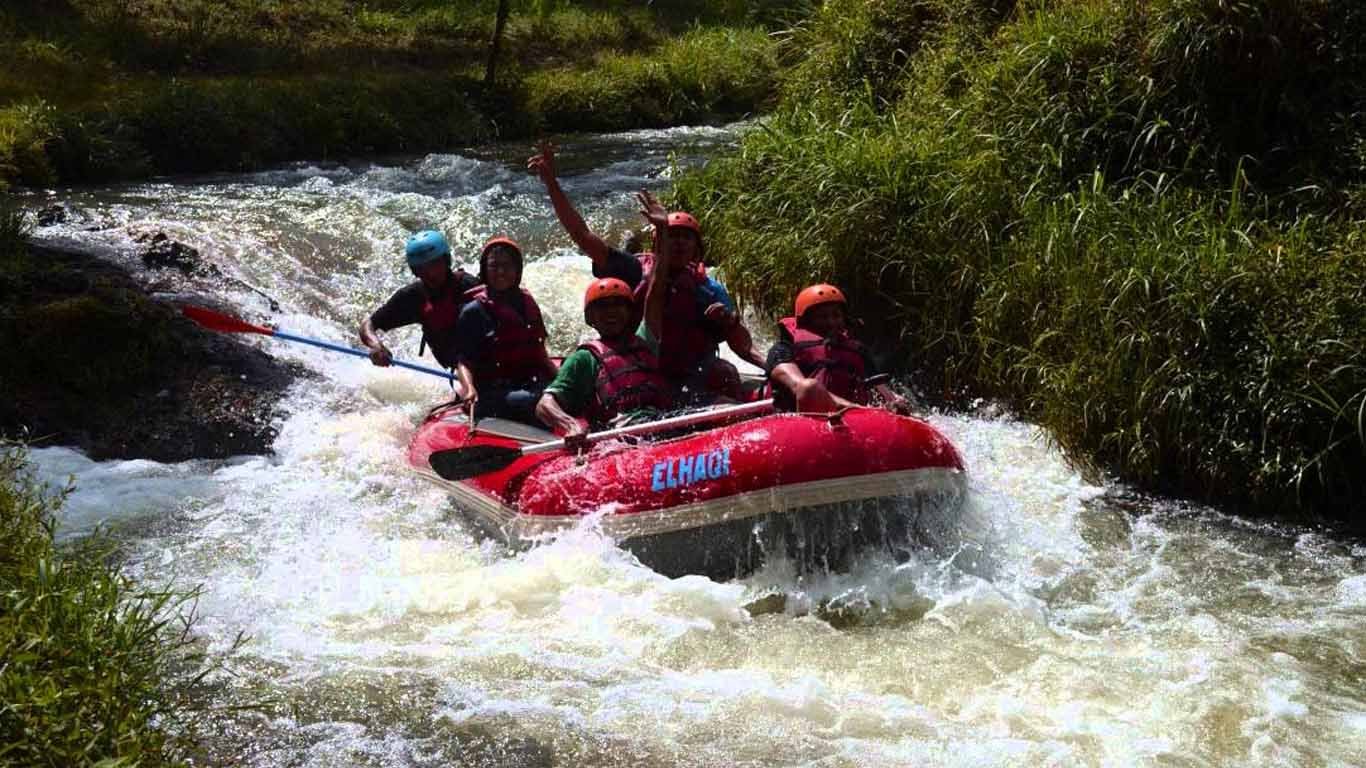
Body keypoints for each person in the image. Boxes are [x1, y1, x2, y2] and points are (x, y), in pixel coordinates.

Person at [528, 141, 763, 405]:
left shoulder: (708, 288)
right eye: (672, 237)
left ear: (697, 249)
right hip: (640, 371)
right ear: (658, 243)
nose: (679, 243)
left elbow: (740, 342)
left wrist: (756, 351)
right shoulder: (634, 269)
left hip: (690, 373)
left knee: (724, 373)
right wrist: (551, 184)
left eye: (686, 238)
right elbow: (581, 235)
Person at [536, 194, 675, 448]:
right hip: (620, 441)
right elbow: (545, 405)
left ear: (630, 311)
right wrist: (570, 424)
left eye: (618, 306)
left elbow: (656, 289)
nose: (612, 313)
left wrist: (663, 231)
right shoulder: (584, 359)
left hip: (662, 426)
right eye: (603, 308)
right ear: (591, 319)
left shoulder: (645, 339)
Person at [451, 236, 559, 426]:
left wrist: (561, 380)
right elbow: (463, 362)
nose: (500, 272)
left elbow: (539, 352)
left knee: (565, 392)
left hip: (529, 381)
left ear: (517, 270)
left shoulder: (527, 303)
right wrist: (469, 389)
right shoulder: (473, 311)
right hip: (493, 391)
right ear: (485, 269)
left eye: (507, 266)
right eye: (494, 266)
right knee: (529, 401)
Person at [766, 283, 912, 414]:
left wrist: (894, 403)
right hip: (800, 419)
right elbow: (804, 388)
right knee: (810, 387)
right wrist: (861, 411)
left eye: (836, 315)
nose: (831, 322)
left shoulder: (857, 351)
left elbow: (881, 391)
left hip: (853, 418)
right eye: (822, 317)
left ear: (844, 319)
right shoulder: (783, 349)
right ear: (806, 321)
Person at [360, 229, 480, 370]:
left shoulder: (469, 285)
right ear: (414, 271)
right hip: (456, 370)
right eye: (422, 268)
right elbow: (368, 325)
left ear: (446, 260)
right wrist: (376, 345)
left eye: (435, 264)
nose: (431, 273)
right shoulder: (412, 297)